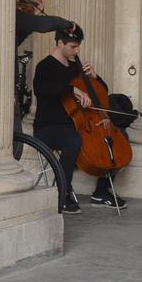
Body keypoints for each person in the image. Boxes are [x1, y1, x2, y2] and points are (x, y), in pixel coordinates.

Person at [33, 26, 127, 214]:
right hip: (49, 127)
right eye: (73, 47)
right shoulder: (45, 66)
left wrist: (95, 77)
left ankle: (101, 191)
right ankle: (63, 191)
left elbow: (102, 91)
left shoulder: (76, 67)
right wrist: (72, 90)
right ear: (60, 43)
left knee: (117, 137)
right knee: (73, 140)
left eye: (78, 47)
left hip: (79, 124)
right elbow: (43, 89)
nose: (77, 52)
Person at [14, 0, 75, 134]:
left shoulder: (13, 17)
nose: (19, 1)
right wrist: (69, 24)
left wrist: (33, 18)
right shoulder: (8, 11)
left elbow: (15, 39)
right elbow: (44, 25)